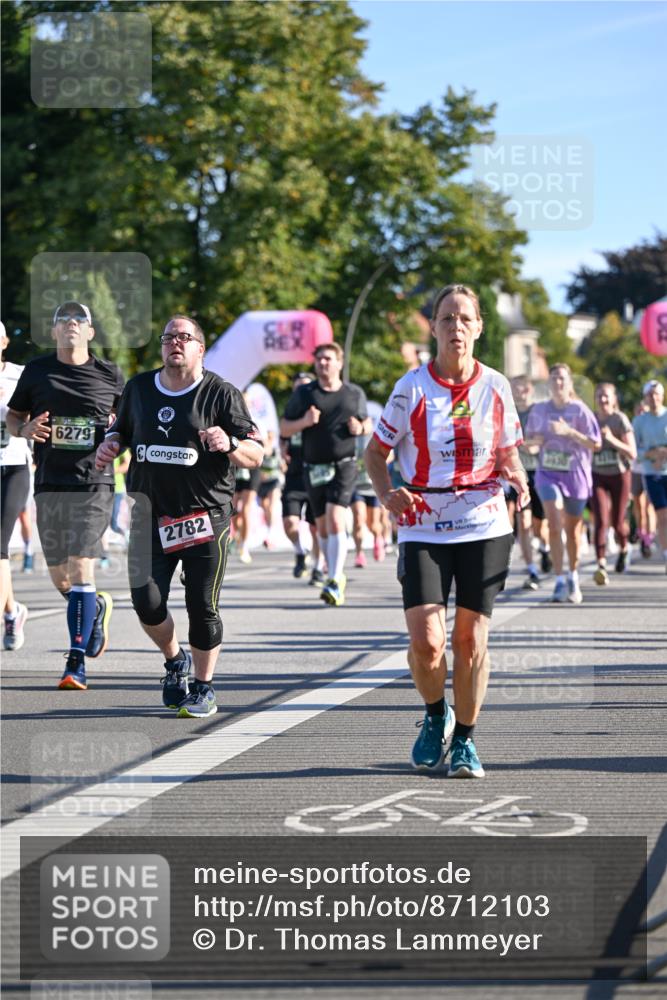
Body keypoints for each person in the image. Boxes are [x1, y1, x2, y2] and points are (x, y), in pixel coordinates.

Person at [366, 283, 528, 778]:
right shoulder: (411, 387)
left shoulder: (496, 387)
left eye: (465, 319)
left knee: (470, 640)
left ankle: (466, 740)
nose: (455, 327)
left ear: (479, 328)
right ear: (433, 327)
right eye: (446, 318)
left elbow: (507, 453)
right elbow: (376, 453)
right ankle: (435, 714)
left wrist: (518, 475)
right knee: (428, 642)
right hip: (424, 523)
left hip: (483, 521)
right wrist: (387, 492)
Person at [95, 314, 263, 717]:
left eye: (184, 337)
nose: (175, 343)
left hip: (206, 517)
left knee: (201, 607)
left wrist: (229, 443)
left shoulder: (221, 394)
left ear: (199, 348)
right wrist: (111, 444)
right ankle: (175, 662)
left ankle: (204, 688)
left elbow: (256, 454)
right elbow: (122, 431)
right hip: (151, 515)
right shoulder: (138, 389)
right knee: (146, 602)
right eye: (169, 336)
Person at [6, 302, 123, 687]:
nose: (71, 325)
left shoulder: (110, 374)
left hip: (94, 483)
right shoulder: (37, 371)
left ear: (90, 332)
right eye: (63, 320)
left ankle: (75, 662)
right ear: (54, 332)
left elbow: (130, 420)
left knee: (80, 567)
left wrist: (118, 435)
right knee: (61, 579)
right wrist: (23, 432)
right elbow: (14, 416)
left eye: (79, 320)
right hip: (51, 482)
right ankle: (96, 606)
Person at [280, 342, 371, 607]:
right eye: (319, 359)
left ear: (339, 363)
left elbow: (368, 423)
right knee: (321, 526)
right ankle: (333, 574)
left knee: (334, 518)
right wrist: (304, 422)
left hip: (344, 464)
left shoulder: (353, 394)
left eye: (328, 359)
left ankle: (334, 578)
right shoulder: (304, 394)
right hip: (313, 468)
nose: (323, 363)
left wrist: (360, 428)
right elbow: (285, 428)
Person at [524, 364, 601, 604]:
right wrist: (532, 444)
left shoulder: (580, 410)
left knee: (573, 532)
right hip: (548, 473)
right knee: (554, 524)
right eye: (554, 378)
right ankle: (558, 580)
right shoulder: (539, 410)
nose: (558, 382)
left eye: (562, 379)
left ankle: (573, 576)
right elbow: (532, 442)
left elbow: (595, 444)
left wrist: (570, 432)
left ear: (569, 384)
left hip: (576, 474)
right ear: (548, 383)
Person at [1, 321, 30, 650]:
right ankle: (13, 610)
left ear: (5, 342)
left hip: (13, 466)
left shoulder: (21, 375)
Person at [508, 375, 551, 590]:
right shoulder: (507, 412)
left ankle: (545, 548)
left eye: (522, 388)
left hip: (539, 471)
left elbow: (545, 438)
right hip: (519, 473)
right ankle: (532, 570)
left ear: (530, 389)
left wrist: (530, 445)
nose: (519, 392)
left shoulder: (539, 411)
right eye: (515, 388)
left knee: (539, 524)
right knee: (523, 522)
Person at [590, 382, 636, 584]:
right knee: (600, 519)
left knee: (617, 522)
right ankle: (601, 564)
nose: (603, 399)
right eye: (599, 395)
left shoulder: (620, 419)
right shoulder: (590, 419)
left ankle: (624, 548)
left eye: (607, 396)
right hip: (597, 474)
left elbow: (632, 453)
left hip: (619, 474)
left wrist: (611, 439)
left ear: (614, 399)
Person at [280, 372, 321, 581]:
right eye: (298, 388)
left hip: (316, 476)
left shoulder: (321, 411)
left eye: (305, 387)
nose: (301, 392)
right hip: (294, 476)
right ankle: (300, 551)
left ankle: (318, 568)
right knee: (290, 524)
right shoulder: (290, 413)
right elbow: (282, 435)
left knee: (316, 528)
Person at [633, 379, 667, 573]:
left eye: (657, 394)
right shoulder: (639, 421)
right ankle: (665, 553)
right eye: (650, 395)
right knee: (662, 515)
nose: (654, 398)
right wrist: (649, 454)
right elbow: (633, 449)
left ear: (662, 396)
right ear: (645, 398)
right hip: (651, 473)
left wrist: (663, 452)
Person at [232, 391, 263, 564]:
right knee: (234, 509)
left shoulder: (257, 421)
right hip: (236, 467)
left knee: (247, 508)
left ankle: (244, 545)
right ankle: (236, 534)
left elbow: (265, 445)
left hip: (251, 469)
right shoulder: (231, 417)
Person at [351, 431, 385, 567]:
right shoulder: (348, 437)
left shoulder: (375, 435)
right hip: (355, 485)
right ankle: (359, 553)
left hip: (372, 486)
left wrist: (377, 460)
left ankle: (378, 538)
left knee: (374, 525)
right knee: (358, 519)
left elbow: (390, 454)